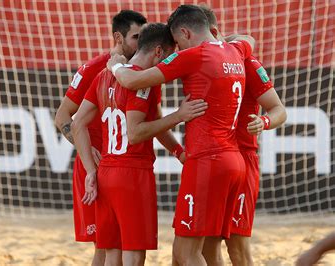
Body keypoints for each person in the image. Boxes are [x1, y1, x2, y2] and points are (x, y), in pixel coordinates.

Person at [107, 5, 255, 265]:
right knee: (195, 252)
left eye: (177, 42)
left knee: (187, 254)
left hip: (207, 161)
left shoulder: (194, 55)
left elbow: (131, 81)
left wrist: (116, 66)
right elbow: (248, 38)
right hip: (233, 160)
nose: (177, 49)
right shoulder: (236, 49)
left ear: (185, 32)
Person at [72, 23, 207, 266]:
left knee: (111, 253)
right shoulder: (145, 81)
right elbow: (135, 133)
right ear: (158, 51)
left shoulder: (105, 75)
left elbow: (77, 123)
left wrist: (91, 171)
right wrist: (179, 115)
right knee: (134, 254)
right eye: (169, 54)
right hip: (132, 174)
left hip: (106, 172)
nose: (170, 62)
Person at [54, 10, 147, 266]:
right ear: (118, 37)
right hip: (93, 167)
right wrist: (88, 152)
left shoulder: (136, 70)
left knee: (117, 247)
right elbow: (62, 117)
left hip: (119, 168)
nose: (141, 43)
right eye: (136, 37)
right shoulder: (94, 68)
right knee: (105, 249)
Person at [198, 5, 287, 266]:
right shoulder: (194, 62)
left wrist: (264, 121)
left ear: (213, 32)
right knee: (207, 244)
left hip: (242, 159)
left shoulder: (246, 61)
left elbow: (278, 109)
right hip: (212, 160)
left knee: (237, 245)